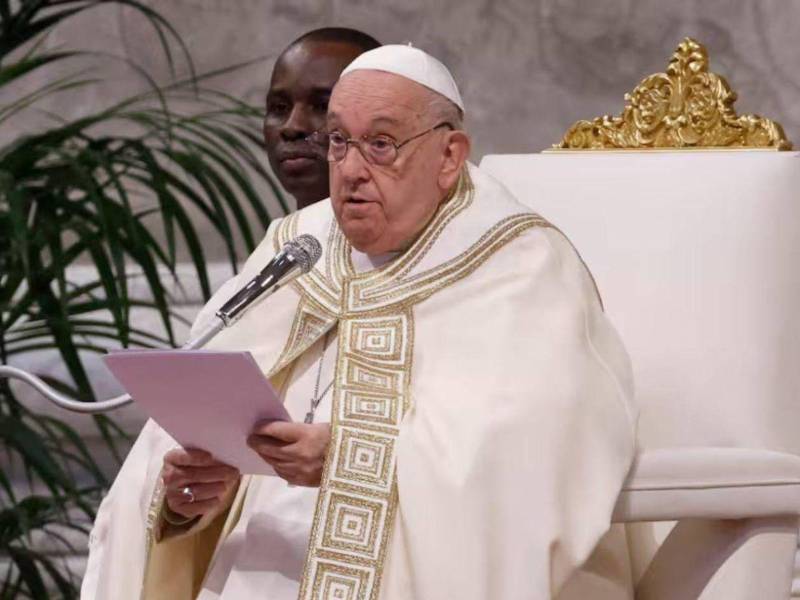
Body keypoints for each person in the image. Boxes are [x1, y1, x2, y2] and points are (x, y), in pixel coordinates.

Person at [82, 45, 638, 600]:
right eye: (339, 142)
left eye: (381, 144)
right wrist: (195, 499)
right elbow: (185, 446)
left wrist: (346, 460)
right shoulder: (298, 247)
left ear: (449, 156)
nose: (349, 170)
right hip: (249, 568)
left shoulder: (518, 265)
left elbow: (534, 457)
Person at [263, 28, 380, 210]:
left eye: (323, 106)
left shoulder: (421, 228)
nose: (292, 127)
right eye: (279, 107)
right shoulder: (279, 230)